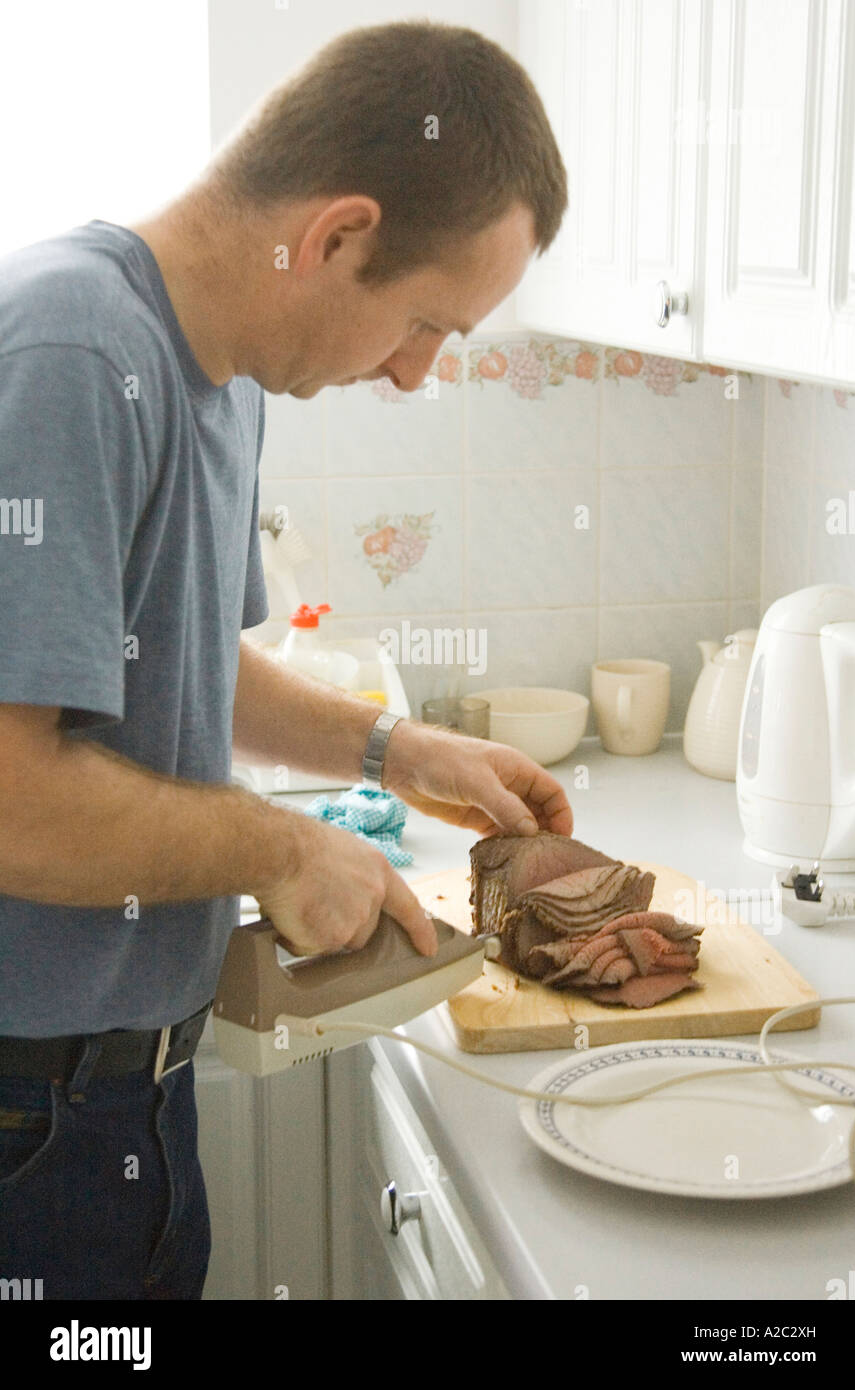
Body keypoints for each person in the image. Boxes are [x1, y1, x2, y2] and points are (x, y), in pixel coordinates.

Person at [0, 19, 570, 1299]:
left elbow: (178, 659)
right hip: (26, 1119)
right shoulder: (72, 355)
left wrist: (395, 747)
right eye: (426, 322)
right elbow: (10, 793)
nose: (419, 374)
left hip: (124, 1097)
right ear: (336, 236)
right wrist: (281, 847)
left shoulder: (232, 370)